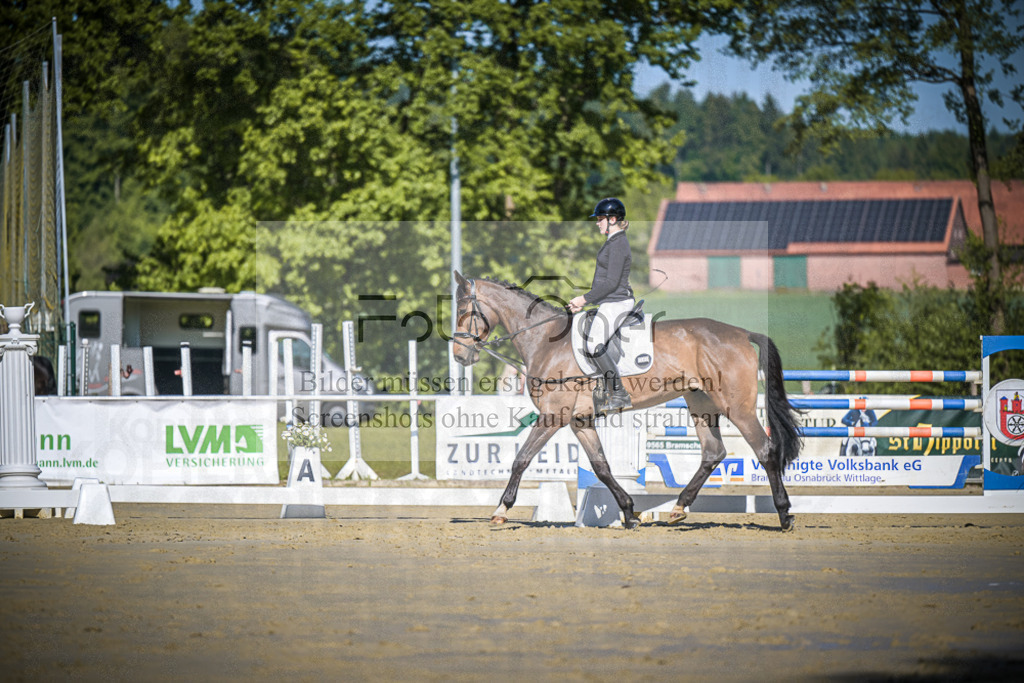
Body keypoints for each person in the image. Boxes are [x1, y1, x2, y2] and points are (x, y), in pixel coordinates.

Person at [569, 197, 635, 415]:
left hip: (617, 301)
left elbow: (610, 283)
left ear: (612, 219)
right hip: (610, 301)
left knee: (593, 343)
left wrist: (584, 299)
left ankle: (618, 393)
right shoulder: (613, 241)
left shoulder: (618, 243)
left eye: (600, 219)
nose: (597, 223)